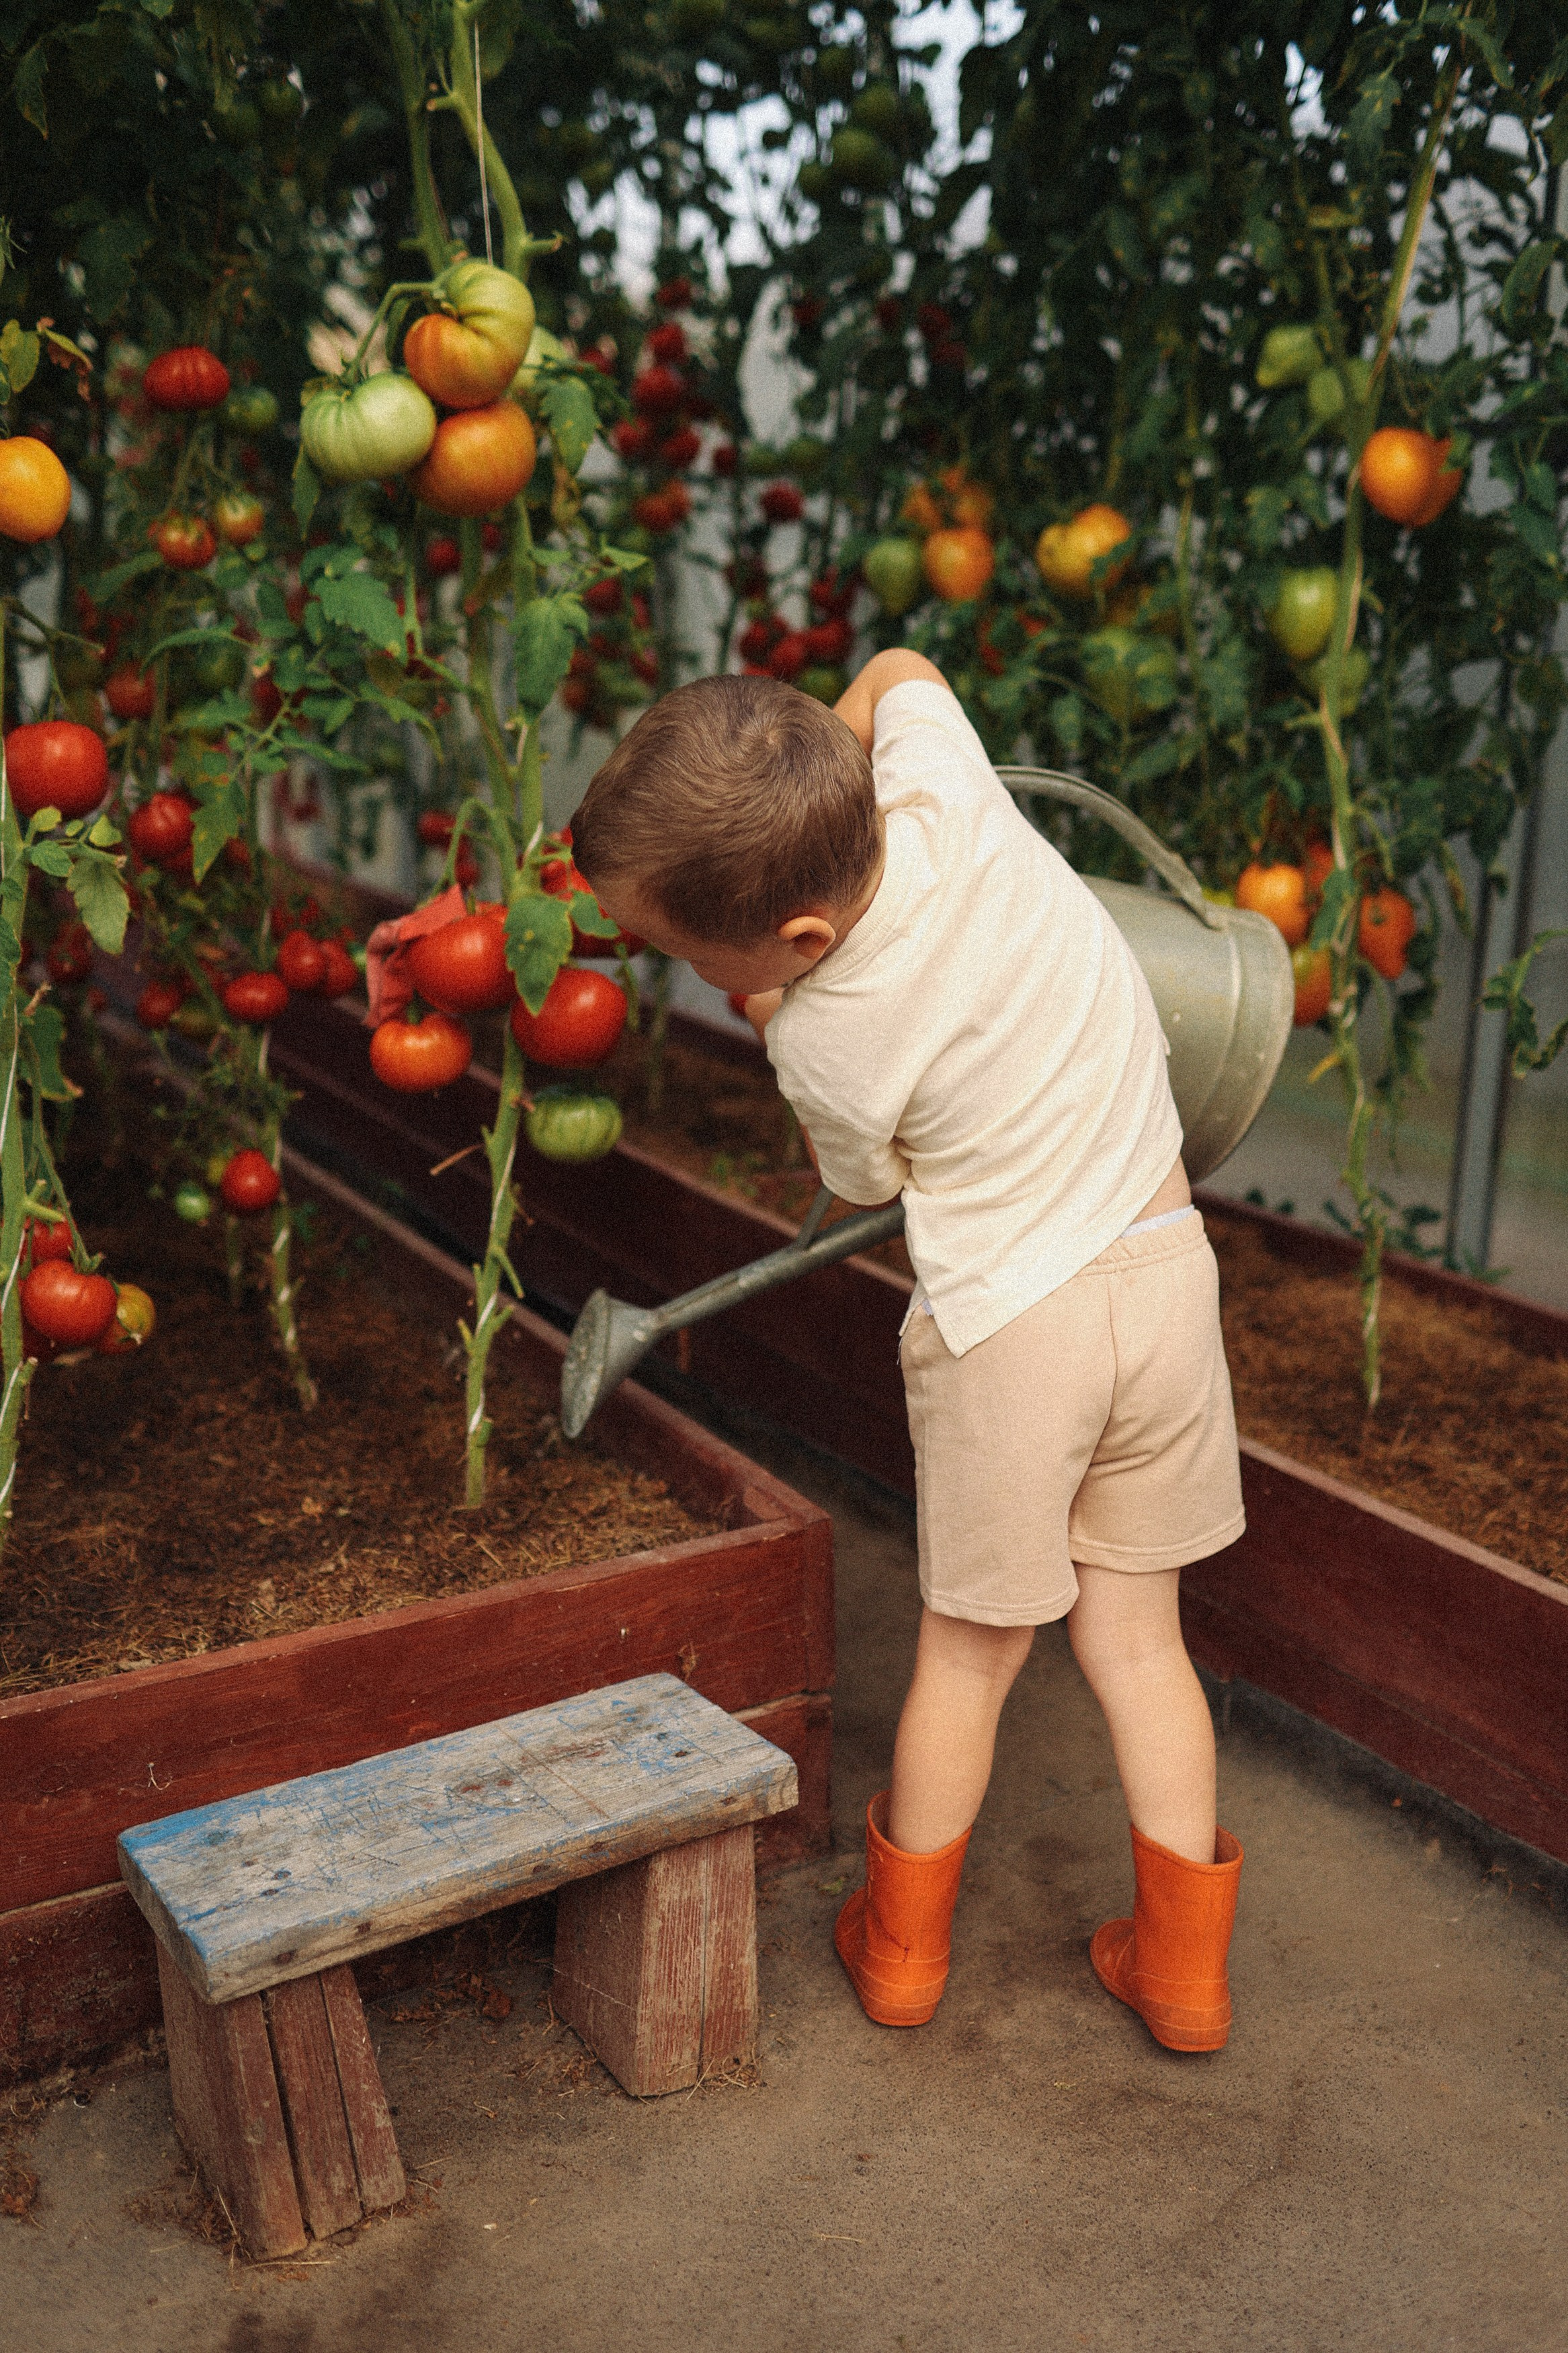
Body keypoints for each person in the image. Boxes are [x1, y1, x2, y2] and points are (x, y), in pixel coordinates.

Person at [571, 649, 1246, 2054]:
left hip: (1012, 1329)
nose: (696, 978)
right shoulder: (948, 796)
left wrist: (780, 1016)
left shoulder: (823, 1037)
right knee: (1140, 1641)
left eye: (694, 957)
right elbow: (898, 667)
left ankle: (899, 1952)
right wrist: (825, 768)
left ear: (800, 937)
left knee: (971, 1656)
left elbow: (866, 1180)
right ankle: (1184, 1976)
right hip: (1166, 1278)